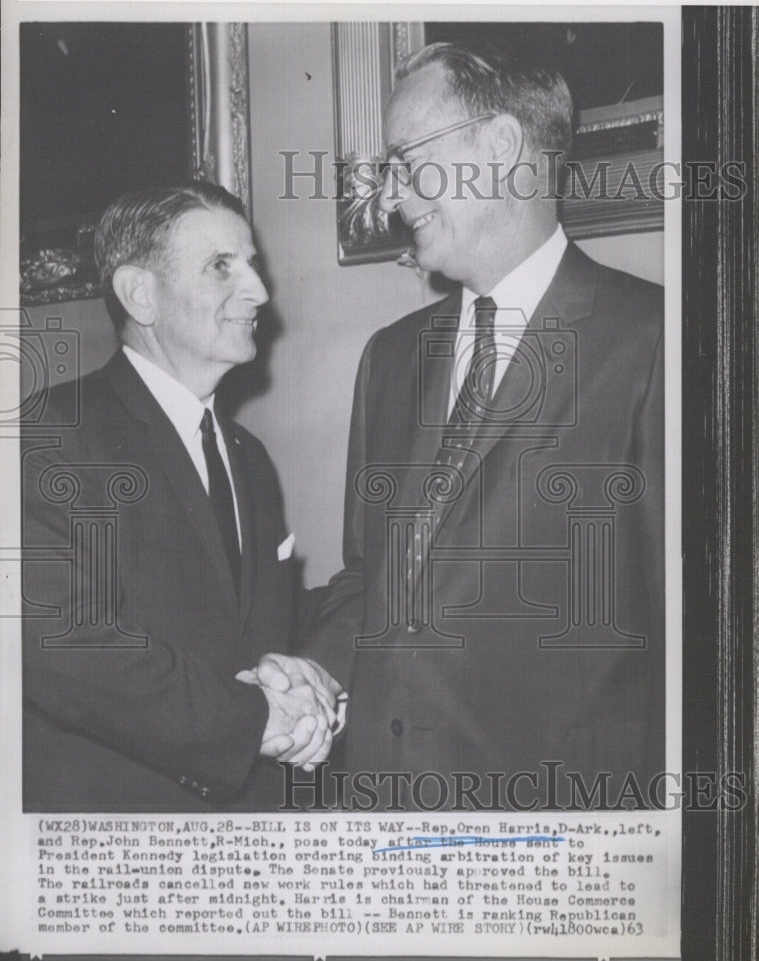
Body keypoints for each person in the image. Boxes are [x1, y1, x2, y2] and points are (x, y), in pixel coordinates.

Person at [303, 43, 665, 809]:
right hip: (378, 821)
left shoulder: (660, 341)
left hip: (555, 839)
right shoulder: (391, 354)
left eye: (406, 159)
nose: (393, 194)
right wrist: (315, 674)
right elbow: (367, 576)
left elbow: (693, 632)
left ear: (500, 147)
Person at [21, 181, 344, 812]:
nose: (258, 290)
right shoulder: (49, 435)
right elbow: (63, 643)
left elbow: (251, 623)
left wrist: (314, 670)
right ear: (140, 294)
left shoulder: (248, 458)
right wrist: (257, 718)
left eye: (251, 264)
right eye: (223, 266)